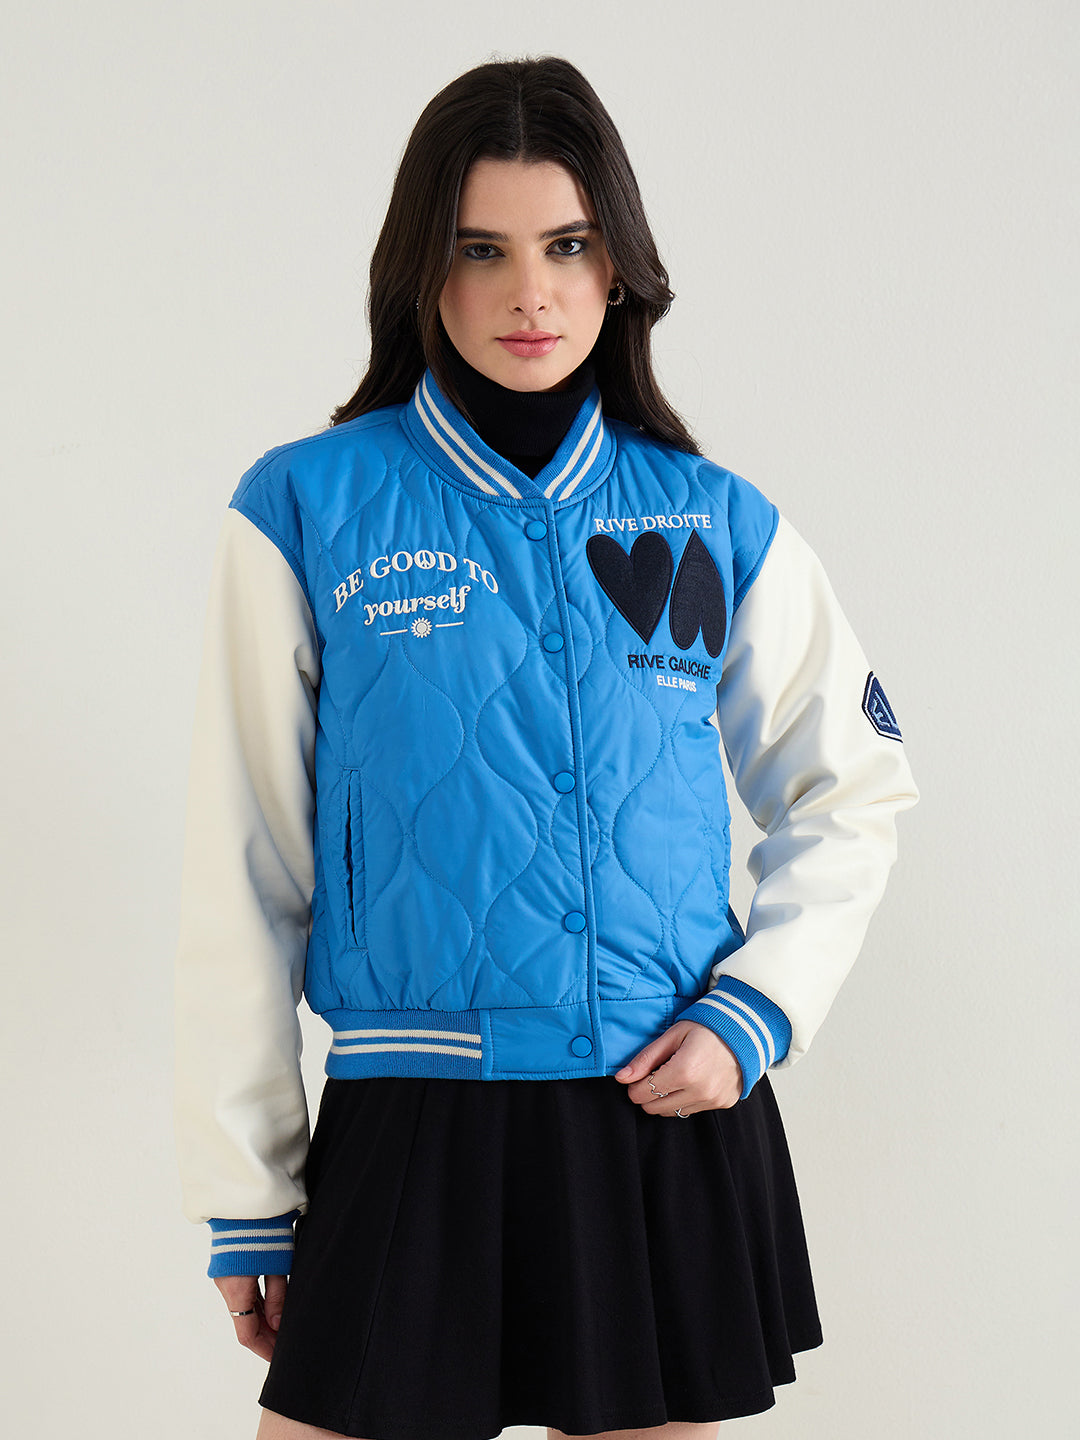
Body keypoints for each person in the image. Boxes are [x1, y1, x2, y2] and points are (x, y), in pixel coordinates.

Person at [174, 55, 918, 1440]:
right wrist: (248, 1189)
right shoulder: (304, 508)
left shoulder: (713, 519)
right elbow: (243, 864)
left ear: (619, 266)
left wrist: (755, 1012)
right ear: (423, 269)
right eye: (484, 250)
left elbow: (853, 783)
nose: (532, 292)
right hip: (413, 1117)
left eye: (568, 246)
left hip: (658, 1117)